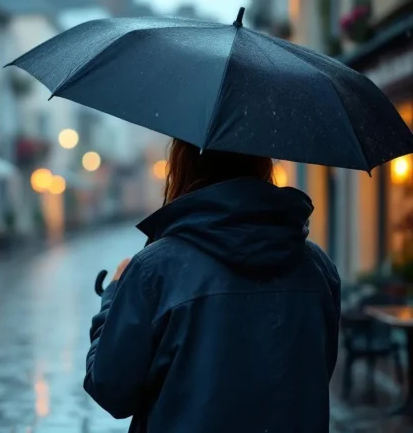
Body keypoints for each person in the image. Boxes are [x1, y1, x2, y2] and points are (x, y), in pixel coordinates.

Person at [84, 138, 340, 433]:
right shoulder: (318, 268)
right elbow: (316, 376)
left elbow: (111, 388)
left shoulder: (154, 270)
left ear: (183, 165)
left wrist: (113, 298)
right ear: (263, 163)